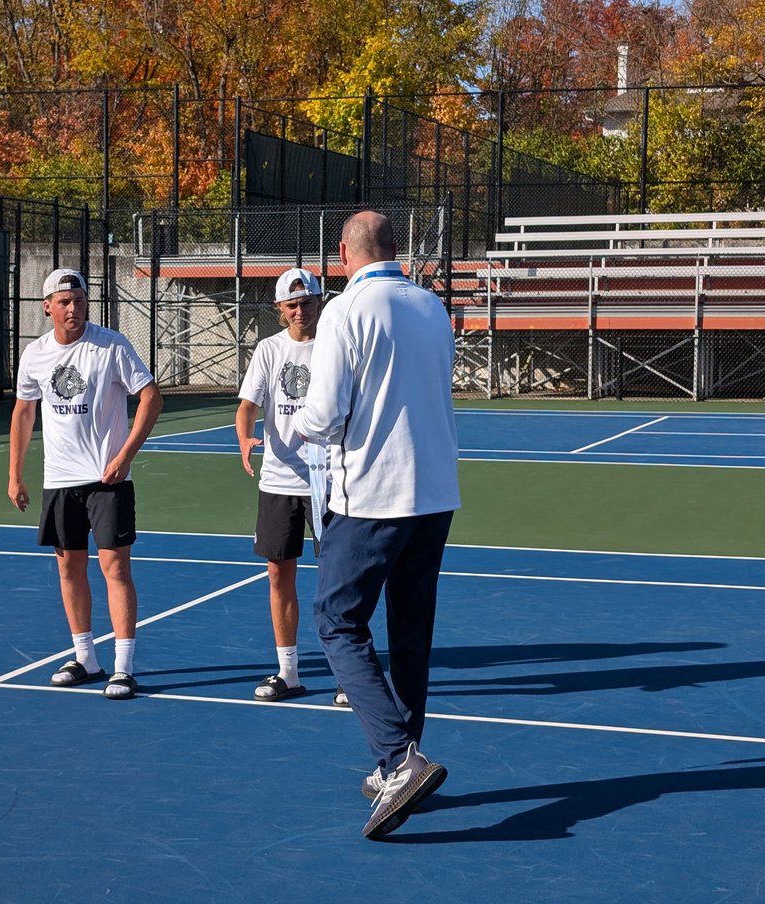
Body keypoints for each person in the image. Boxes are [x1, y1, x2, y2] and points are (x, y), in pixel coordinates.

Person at [294, 211, 461, 840]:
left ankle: (398, 758)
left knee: (337, 620)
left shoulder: (345, 310)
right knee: (411, 630)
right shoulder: (431, 307)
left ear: (343, 253)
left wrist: (296, 426)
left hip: (371, 495)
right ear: (396, 248)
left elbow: (324, 412)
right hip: (434, 493)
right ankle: (403, 758)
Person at [8, 268, 164, 701]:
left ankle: (123, 668)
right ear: (48, 307)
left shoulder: (111, 345)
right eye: (64, 302)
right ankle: (86, 659)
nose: (73, 308)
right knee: (69, 568)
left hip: (107, 480)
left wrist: (125, 456)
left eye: (79, 300)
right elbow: (24, 411)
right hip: (59, 481)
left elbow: (151, 397)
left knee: (116, 569)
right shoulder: (35, 354)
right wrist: (15, 473)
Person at [235, 267, 344, 703]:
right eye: (293, 305)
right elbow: (248, 405)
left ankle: (348, 675)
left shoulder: (337, 346)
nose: (301, 311)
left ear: (320, 302)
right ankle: (289, 672)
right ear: (280, 308)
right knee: (279, 574)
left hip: (331, 481)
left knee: (339, 580)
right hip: (279, 481)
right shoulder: (269, 349)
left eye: (308, 302)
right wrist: (244, 437)